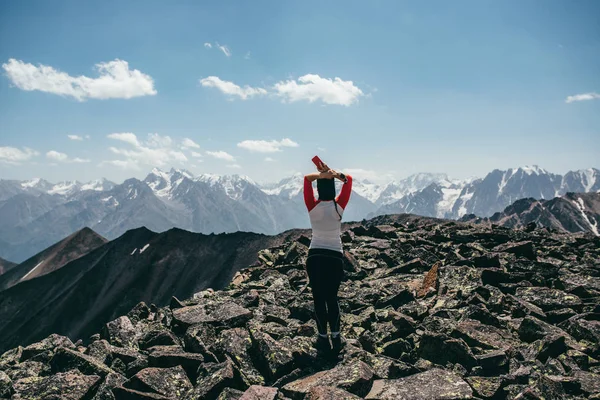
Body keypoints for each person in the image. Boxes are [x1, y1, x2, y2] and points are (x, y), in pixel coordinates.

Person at [303, 161, 353, 354]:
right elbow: (349, 180)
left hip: (315, 255)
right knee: (332, 298)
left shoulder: (312, 207)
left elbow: (306, 181)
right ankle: (337, 337)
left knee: (318, 298)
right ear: (333, 190)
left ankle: (322, 338)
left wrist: (320, 176)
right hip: (334, 257)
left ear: (318, 189)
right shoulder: (338, 207)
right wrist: (334, 173)